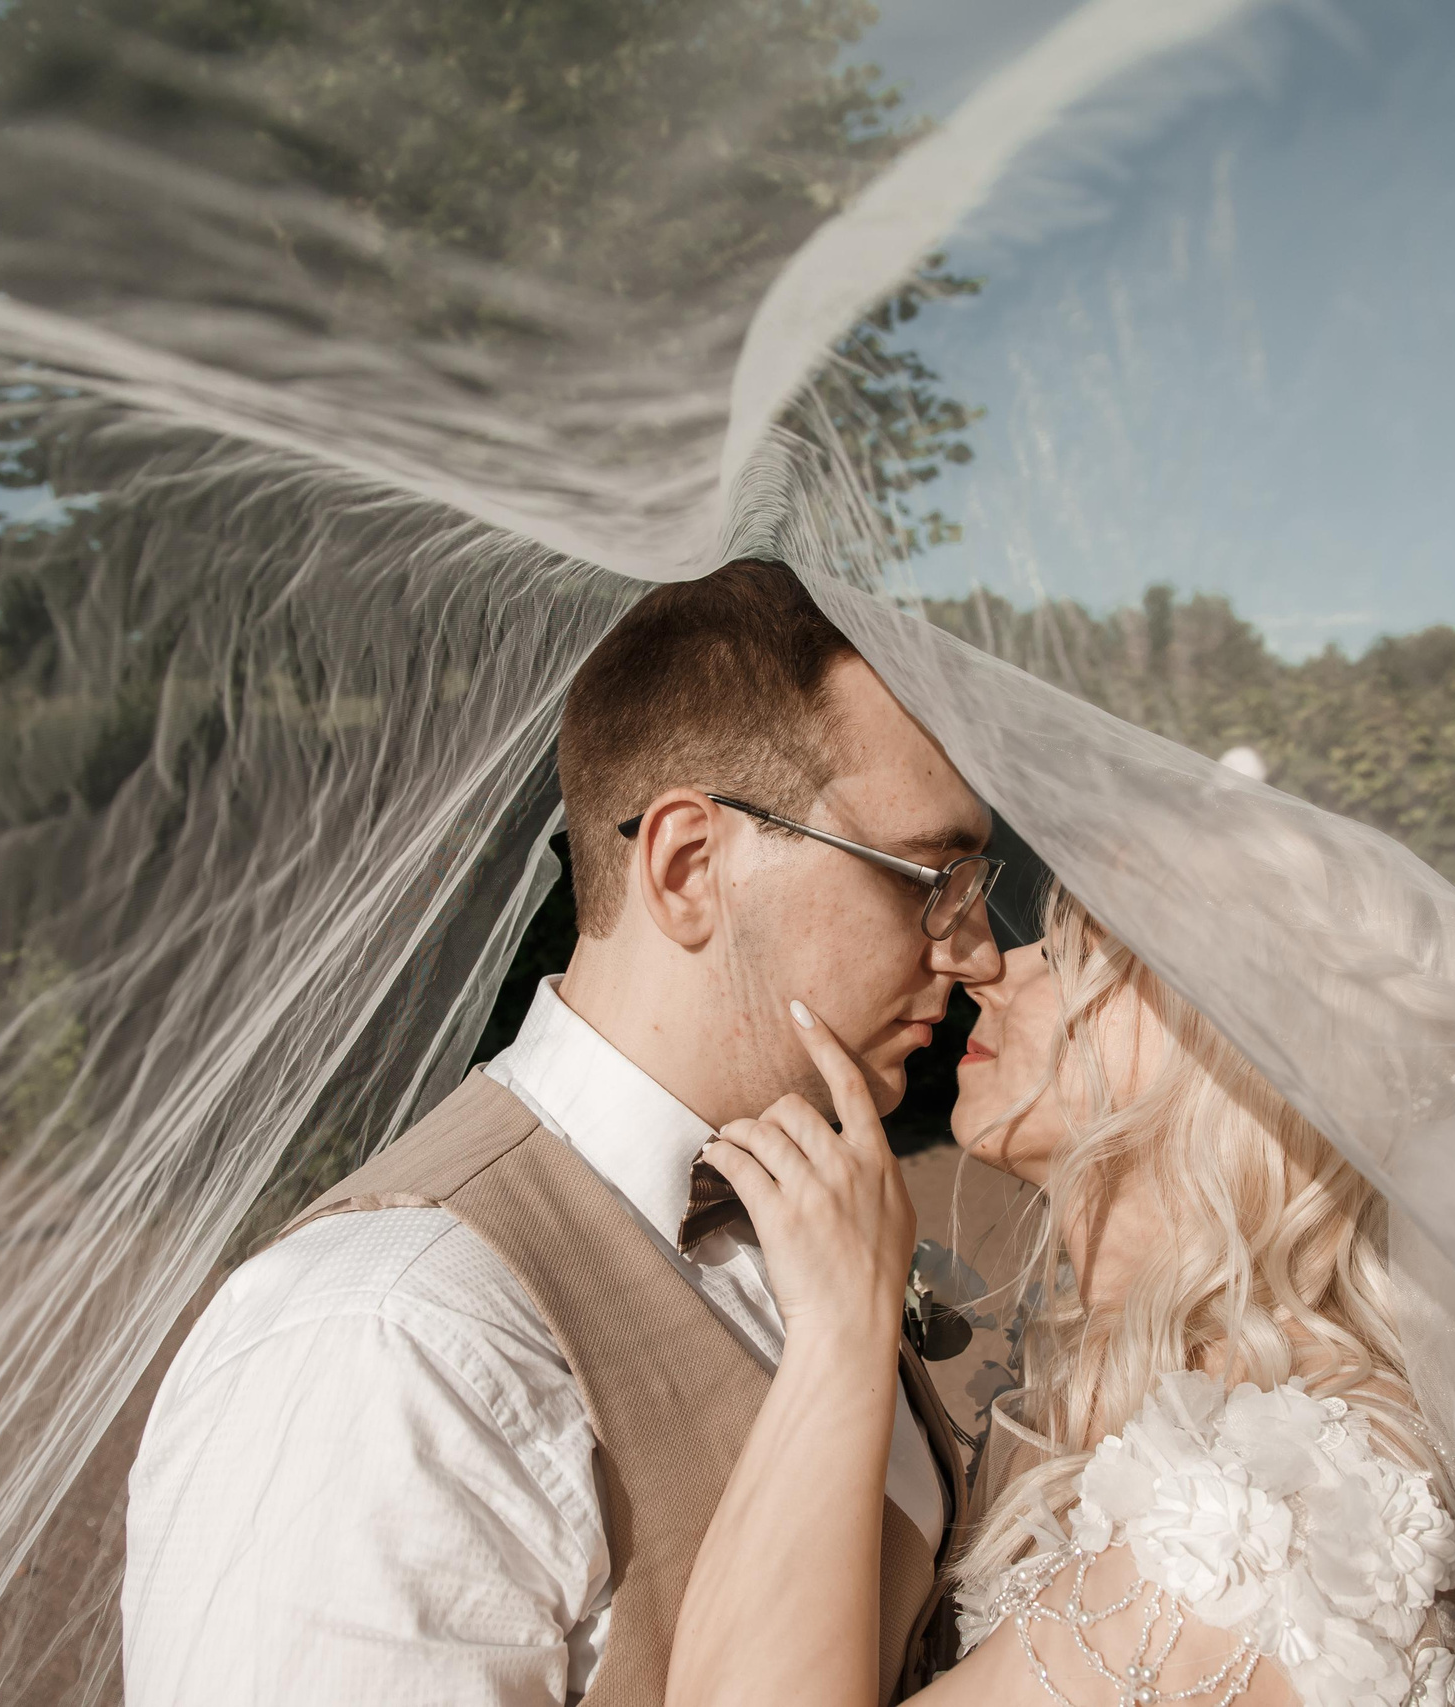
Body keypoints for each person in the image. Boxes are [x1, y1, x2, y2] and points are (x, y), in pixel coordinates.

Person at [121, 561, 1008, 1704]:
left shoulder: (820, 1221)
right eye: (928, 878)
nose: (976, 954)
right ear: (690, 868)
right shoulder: (387, 1340)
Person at [670, 884, 1455, 1707]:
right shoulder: (1176, 1409)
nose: (989, 968)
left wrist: (842, 1329)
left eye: (1074, 952)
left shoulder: (1268, 1528)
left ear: (1232, 1056)